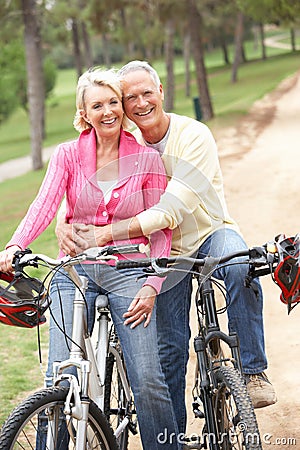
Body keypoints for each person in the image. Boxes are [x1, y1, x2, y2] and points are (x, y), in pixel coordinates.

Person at [56, 61, 277, 440]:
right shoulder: (126, 144)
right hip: (159, 253)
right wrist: (64, 219)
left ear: (161, 91)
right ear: (122, 105)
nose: (140, 102)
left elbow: (173, 208)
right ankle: (169, 436)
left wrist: (105, 234)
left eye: (147, 93)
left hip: (209, 233)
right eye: (130, 98)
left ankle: (252, 371)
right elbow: (86, 186)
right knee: (169, 354)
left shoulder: (193, 134)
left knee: (240, 264)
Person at [0, 67, 183, 450]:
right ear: (84, 113)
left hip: (128, 270)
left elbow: (162, 229)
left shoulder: (146, 158)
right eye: (96, 105)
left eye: (113, 102)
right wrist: (15, 246)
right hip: (74, 271)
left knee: (147, 378)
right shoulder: (67, 155)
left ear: (122, 106)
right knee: (59, 375)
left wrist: (152, 285)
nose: (108, 112)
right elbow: (44, 205)